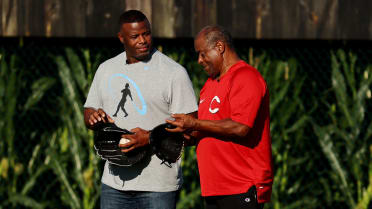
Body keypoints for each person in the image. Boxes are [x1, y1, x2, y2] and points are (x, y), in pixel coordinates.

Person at [83, 10, 198, 209]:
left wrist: (149, 138)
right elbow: (89, 111)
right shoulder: (106, 69)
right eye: (135, 36)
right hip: (114, 184)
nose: (143, 40)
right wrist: (93, 117)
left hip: (158, 187)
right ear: (121, 38)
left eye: (146, 34)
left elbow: (193, 131)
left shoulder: (174, 73)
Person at [166, 26, 274, 209]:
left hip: (241, 185)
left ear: (219, 47)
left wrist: (194, 122)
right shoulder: (209, 85)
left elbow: (240, 127)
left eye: (202, 54)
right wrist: (185, 134)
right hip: (214, 187)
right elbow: (209, 128)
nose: (199, 60)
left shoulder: (246, 76)